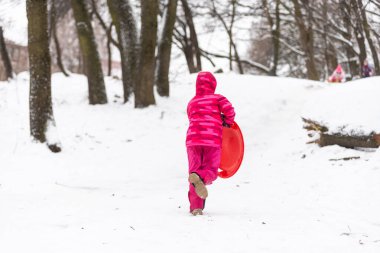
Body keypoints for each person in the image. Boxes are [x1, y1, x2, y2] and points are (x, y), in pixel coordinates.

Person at [185, 71, 235, 216]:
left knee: (193, 172)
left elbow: (190, 117)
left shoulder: (192, 102)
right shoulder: (217, 98)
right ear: (213, 85)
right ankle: (200, 177)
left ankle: (196, 207)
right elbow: (230, 111)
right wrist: (227, 122)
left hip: (192, 140)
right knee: (211, 171)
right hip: (211, 140)